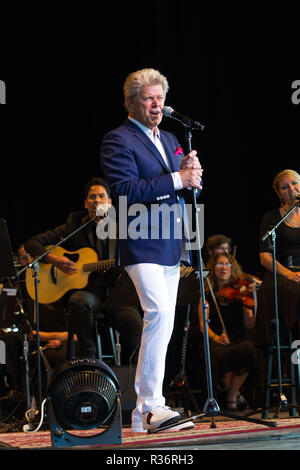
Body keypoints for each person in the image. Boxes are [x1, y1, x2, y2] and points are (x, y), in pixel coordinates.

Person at [100, 68, 203, 432]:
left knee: (164, 320)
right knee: (158, 313)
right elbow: (126, 191)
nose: (156, 104)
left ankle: (144, 414)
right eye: (148, 98)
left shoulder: (173, 136)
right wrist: (177, 178)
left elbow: (186, 190)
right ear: (130, 103)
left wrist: (192, 176)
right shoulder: (119, 140)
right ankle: (149, 407)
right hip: (141, 239)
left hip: (172, 241)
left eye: (159, 97)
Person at [24, 177, 143, 363]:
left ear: (110, 202)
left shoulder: (122, 228)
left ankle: (142, 379)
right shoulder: (74, 225)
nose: (97, 200)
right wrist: (54, 260)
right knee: (78, 301)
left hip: (115, 295)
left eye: (101, 196)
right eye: (92, 197)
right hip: (90, 295)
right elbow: (32, 243)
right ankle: (89, 360)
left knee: (138, 332)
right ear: (86, 203)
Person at [198, 252, 260, 411]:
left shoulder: (240, 291)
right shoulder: (207, 293)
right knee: (219, 354)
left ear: (232, 268)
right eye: (220, 264)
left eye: (227, 264)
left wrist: (253, 307)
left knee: (248, 350)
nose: (224, 267)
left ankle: (232, 396)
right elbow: (203, 325)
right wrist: (216, 337)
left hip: (237, 336)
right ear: (213, 268)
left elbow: (249, 325)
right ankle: (236, 396)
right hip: (217, 337)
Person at [257, 169, 300, 345]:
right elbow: (265, 257)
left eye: (294, 183)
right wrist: (290, 274)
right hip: (282, 274)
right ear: (279, 194)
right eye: (285, 187)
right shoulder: (272, 218)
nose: (291, 188)